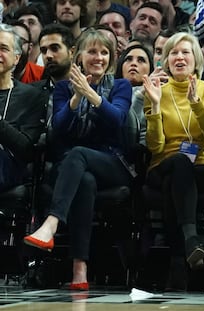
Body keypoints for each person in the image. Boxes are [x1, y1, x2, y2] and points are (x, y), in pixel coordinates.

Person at [23, 28, 133, 290]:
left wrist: (92, 94)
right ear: (79, 56)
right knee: (83, 180)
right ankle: (79, 269)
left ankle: (51, 223)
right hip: (72, 169)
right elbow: (58, 128)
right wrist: (75, 97)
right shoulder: (62, 88)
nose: (98, 57)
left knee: (78, 154)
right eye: (92, 51)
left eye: (104, 52)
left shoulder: (121, 86)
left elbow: (117, 120)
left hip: (111, 162)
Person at [142, 32, 204, 290]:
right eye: (173, 53)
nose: (179, 57)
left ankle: (178, 261)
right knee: (178, 164)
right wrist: (155, 106)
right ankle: (191, 239)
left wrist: (196, 105)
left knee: (173, 184)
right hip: (164, 163)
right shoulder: (156, 91)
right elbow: (155, 146)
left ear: (196, 58)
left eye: (185, 52)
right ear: (165, 61)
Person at [0, 23, 45, 191]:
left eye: (3, 48)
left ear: (17, 58)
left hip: (9, 167)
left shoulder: (32, 96)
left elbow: (27, 150)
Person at [115, 43, 154, 144]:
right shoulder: (110, 90)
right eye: (128, 59)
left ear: (151, 69)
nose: (134, 64)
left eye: (141, 60)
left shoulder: (156, 96)